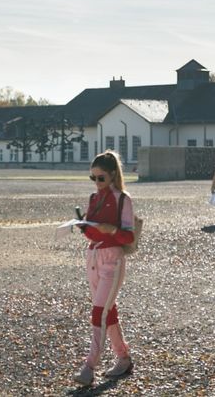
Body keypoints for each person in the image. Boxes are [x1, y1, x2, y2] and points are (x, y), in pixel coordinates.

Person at [74, 150, 135, 387]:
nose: (97, 183)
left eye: (101, 178)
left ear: (111, 175)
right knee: (107, 311)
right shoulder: (94, 198)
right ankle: (123, 357)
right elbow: (91, 232)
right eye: (93, 178)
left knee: (99, 312)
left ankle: (89, 365)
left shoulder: (123, 199)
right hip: (93, 257)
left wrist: (111, 231)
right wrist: (83, 226)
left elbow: (128, 236)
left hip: (112, 259)